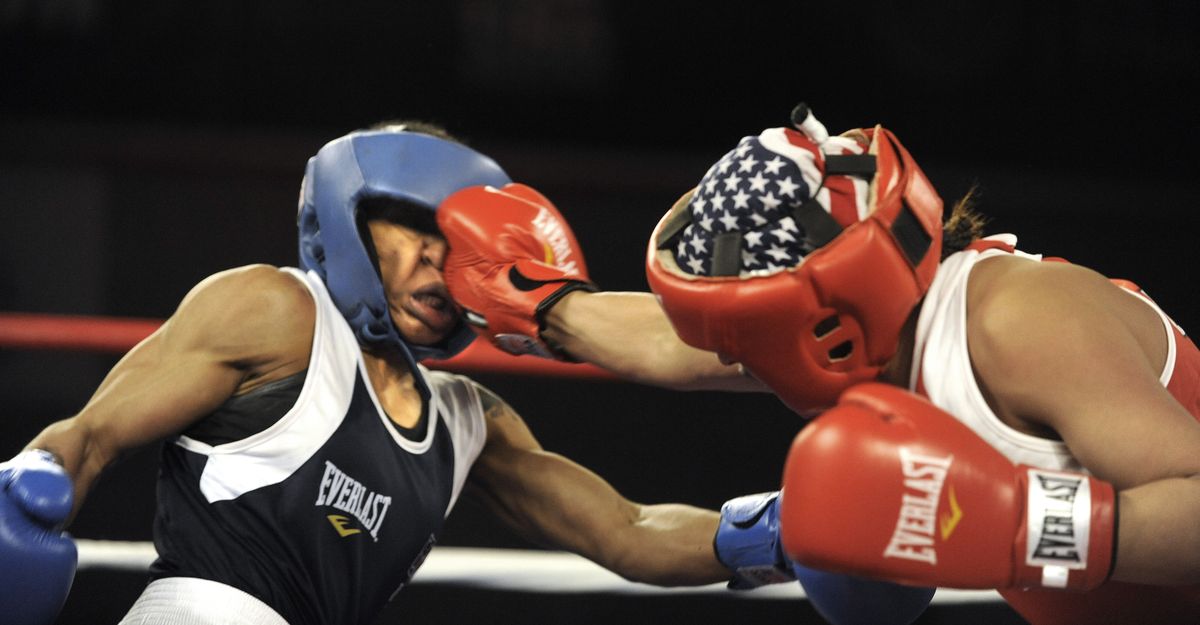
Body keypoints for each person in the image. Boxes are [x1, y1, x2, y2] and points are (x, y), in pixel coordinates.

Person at [434, 103, 1200, 624]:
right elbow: (675, 341)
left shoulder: (1022, 324)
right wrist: (542, 305)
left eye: (743, 334)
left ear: (815, 319)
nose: (730, 356)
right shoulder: (874, 332)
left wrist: (1019, 525)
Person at [0, 121, 748, 625]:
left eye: (454, 239)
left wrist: (771, 535)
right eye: (415, 228)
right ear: (352, 220)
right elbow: (91, 432)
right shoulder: (276, 310)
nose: (437, 257)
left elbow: (628, 529)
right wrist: (32, 486)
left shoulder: (468, 421)